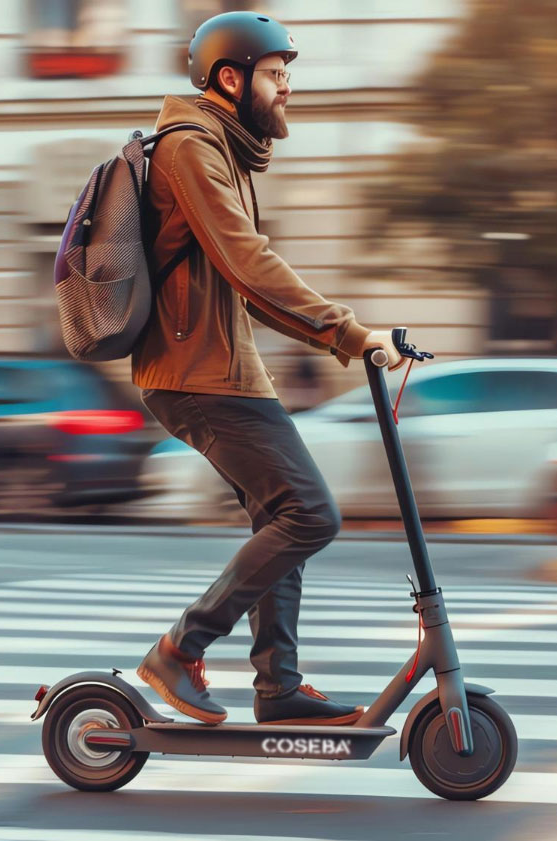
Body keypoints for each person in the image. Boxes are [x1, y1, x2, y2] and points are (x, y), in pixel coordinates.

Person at [132, 11, 402, 726]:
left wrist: (345, 337)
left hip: (224, 371)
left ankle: (277, 686)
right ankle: (179, 648)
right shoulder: (191, 149)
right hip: (196, 376)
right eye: (277, 75)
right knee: (310, 513)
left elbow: (246, 279)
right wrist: (348, 332)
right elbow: (249, 265)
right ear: (232, 77)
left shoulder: (221, 148)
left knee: (284, 516)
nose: (287, 90)